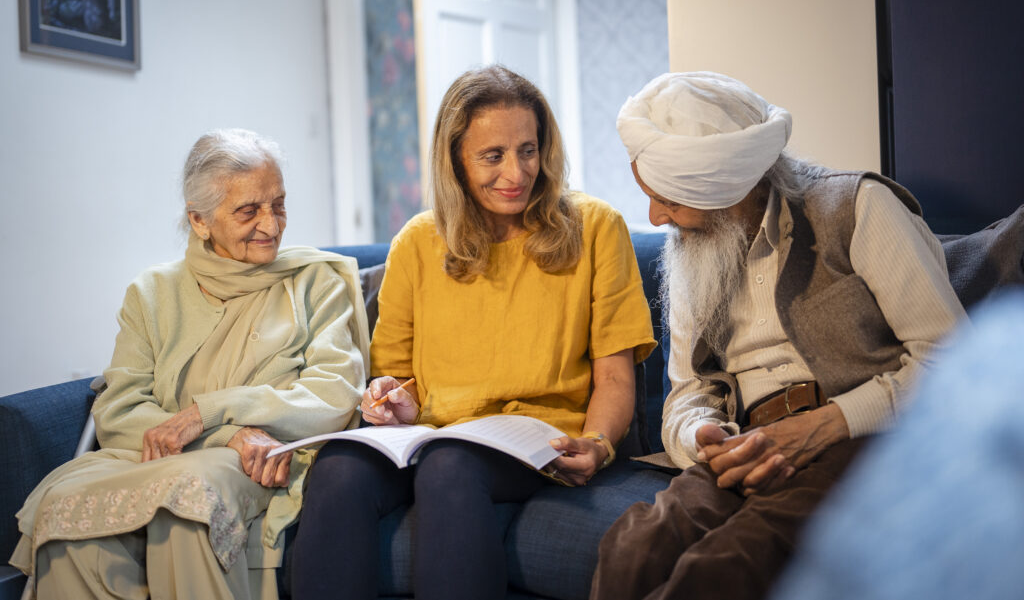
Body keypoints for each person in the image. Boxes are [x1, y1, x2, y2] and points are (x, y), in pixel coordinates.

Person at [588, 71, 966, 600]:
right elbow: (688, 393)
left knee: (722, 565)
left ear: (721, 185)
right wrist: (702, 436)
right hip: (745, 442)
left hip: (859, 442)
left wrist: (826, 424)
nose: (655, 217)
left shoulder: (859, 208)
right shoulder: (690, 250)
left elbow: (957, 366)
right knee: (633, 548)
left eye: (668, 200)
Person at [290, 64, 657, 600]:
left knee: (450, 464)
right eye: (493, 156)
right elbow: (395, 377)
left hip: (539, 439)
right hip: (434, 436)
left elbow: (616, 376)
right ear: (456, 161)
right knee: (340, 468)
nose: (516, 172)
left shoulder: (596, 227)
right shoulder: (417, 242)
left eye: (528, 150)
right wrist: (392, 400)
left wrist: (598, 444)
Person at [9, 129, 369, 600]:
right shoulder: (151, 293)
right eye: (249, 210)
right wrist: (225, 433)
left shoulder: (315, 283)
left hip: (263, 461)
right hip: (155, 457)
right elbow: (118, 409)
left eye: (278, 204)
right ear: (200, 222)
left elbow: (334, 395)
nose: (272, 224)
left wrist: (208, 412)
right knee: (66, 519)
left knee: (188, 500)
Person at [767, 290, 1023, 600]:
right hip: (729, 439)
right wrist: (703, 432)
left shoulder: (1002, 342)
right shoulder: (701, 270)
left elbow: (941, 352)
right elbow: (694, 389)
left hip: (840, 428)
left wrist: (828, 423)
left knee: (726, 558)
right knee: (690, 528)